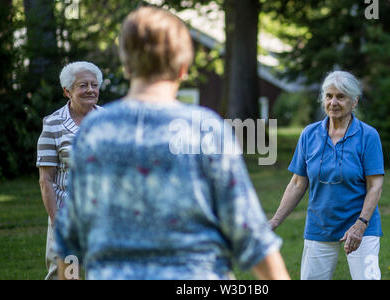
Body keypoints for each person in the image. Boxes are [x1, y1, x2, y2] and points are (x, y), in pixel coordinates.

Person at [54, 6, 290, 280]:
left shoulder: (92, 132)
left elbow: (69, 240)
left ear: (127, 66)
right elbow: (250, 234)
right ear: (183, 69)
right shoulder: (205, 128)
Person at [269, 71, 384, 280]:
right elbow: (297, 184)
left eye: (341, 96)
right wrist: (274, 222)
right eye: (329, 96)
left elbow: (375, 185)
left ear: (354, 101)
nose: (333, 102)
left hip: (361, 226)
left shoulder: (368, 136)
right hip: (319, 225)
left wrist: (360, 224)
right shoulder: (309, 134)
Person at [36, 61, 104, 280]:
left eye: (94, 84)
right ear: (67, 91)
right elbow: (45, 179)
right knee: (67, 276)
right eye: (83, 85)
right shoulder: (54, 124)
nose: (90, 90)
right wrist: (57, 222)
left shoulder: (109, 121)